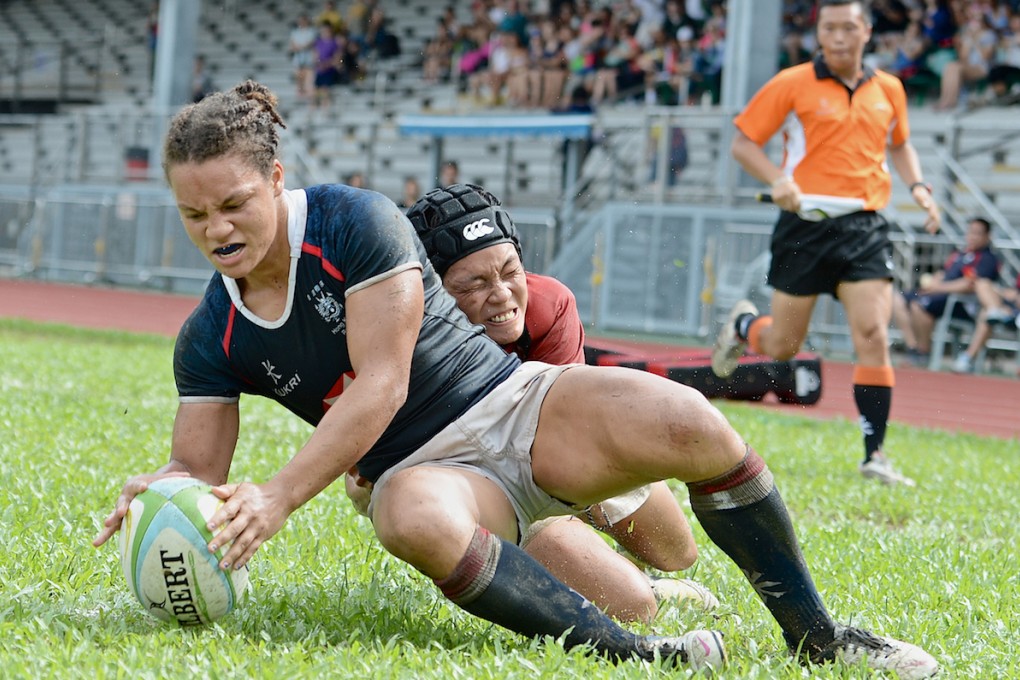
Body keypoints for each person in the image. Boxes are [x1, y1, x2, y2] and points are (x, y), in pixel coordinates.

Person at [93, 80, 938, 677]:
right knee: (409, 516)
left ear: (276, 180)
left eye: (233, 203)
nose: (216, 229)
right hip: (427, 474)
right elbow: (198, 467)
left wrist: (277, 497)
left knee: (689, 423)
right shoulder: (209, 334)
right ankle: (637, 654)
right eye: (194, 214)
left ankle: (818, 637)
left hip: (515, 403)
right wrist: (166, 489)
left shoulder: (353, 220)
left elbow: (383, 383)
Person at [347, 182, 716, 623]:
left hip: (548, 451)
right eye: (474, 284)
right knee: (633, 605)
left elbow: (570, 432)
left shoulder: (548, 305)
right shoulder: (398, 335)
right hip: (463, 470)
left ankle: (595, 562)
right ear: (431, 293)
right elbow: (361, 458)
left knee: (676, 549)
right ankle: (566, 566)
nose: (502, 294)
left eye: (510, 271)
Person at [715, 0, 942, 487]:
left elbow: (900, 143)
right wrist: (778, 180)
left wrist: (919, 187)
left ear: (867, 32)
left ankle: (875, 455)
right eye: (829, 28)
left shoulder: (890, 88)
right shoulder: (792, 82)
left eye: (847, 28)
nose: (837, 37)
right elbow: (743, 144)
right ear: (819, 34)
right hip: (804, 225)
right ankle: (744, 324)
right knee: (784, 346)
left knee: (873, 333)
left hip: (864, 226)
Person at [891, 217, 1001, 368]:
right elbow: (942, 272)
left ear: (987, 236)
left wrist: (938, 288)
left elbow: (970, 284)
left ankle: (923, 352)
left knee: (919, 306)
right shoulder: (958, 254)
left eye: (977, 233)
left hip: (960, 304)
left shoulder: (988, 259)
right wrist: (933, 284)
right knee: (898, 299)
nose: (972, 237)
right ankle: (913, 348)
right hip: (940, 295)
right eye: (970, 232)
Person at [951, 273, 1020, 373]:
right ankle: (967, 358)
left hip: (1015, 312)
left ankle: (967, 358)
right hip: (1011, 310)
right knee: (983, 285)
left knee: (986, 313)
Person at [288, 14, 318, 101]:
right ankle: (300, 93)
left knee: (308, 76)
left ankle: (309, 95)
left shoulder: (311, 31)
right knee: (299, 75)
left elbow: (311, 42)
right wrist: (298, 47)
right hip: (299, 57)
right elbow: (292, 44)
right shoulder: (295, 32)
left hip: (308, 57)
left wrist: (301, 47)